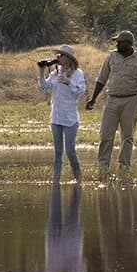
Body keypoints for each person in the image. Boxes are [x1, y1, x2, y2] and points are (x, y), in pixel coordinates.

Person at [85, 30, 137, 172]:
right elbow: (101, 79)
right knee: (105, 135)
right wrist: (93, 99)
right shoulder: (111, 57)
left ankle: (124, 166)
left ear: (128, 44)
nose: (117, 44)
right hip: (112, 100)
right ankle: (103, 166)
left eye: (120, 42)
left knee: (127, 137)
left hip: (131, 101)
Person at [38, 44, 86, 182]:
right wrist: (41, 72)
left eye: (61, 55)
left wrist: (68, 82)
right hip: (56, 117)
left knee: (70, 151)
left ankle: (78, 178)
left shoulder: (78, 74)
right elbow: (44, 87)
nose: (58, 57)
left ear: (69, 59)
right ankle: (56, 180)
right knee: (57, 152)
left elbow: (80, 91)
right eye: (58, 55)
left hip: (70, 118)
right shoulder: (55, 73)